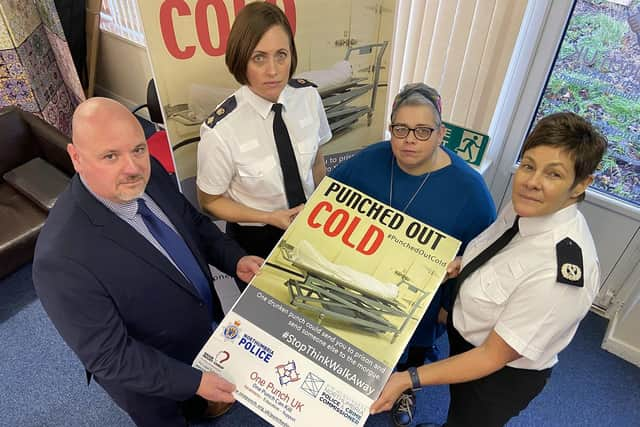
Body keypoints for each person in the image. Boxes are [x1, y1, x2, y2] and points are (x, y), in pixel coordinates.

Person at [32, 97, 263, 427]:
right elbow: (111, 356)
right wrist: (193, 383)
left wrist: (234, 259)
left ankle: (202, 405)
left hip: (202, 335)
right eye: (110, 156)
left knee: (204, 402)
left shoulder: (147, 172)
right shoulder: (60, 258)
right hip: (150, 381)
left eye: (138, 149)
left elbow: (191, 223)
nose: (132, 167)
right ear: (76, 158)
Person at [370, 112, 608, 427]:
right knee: (456, 409)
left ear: (580, 185)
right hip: (466, 340)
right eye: (528, 165)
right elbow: (494, 253)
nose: (532, 182)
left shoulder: (560, 274)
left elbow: (492, 357)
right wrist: (459, 265)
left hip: (498, 375)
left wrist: (408, 379)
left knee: (469, 420)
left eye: (553, 174)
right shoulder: (525, 208)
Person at [330, 82, 496, 426]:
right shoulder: (370, 158)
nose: (409, 139)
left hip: (423, 301)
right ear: (391, 129)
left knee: (414, 350)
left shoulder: (471, 191)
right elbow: (330, 196)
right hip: (362, 281)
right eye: (401, 129)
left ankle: (405, 387)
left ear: (440, 133)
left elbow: (480, 260)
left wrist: (448, 308)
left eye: (422, 131)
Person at [197, 2, 332, 259]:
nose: (273, 70)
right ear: (240, 59)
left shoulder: (308, 97)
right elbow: (209, 201)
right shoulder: (221, 130)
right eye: (259, 57)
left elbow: (316, 160)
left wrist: (319, 207)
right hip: (256, 239)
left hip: (310, 224)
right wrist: (270, 217)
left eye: (281, 55)